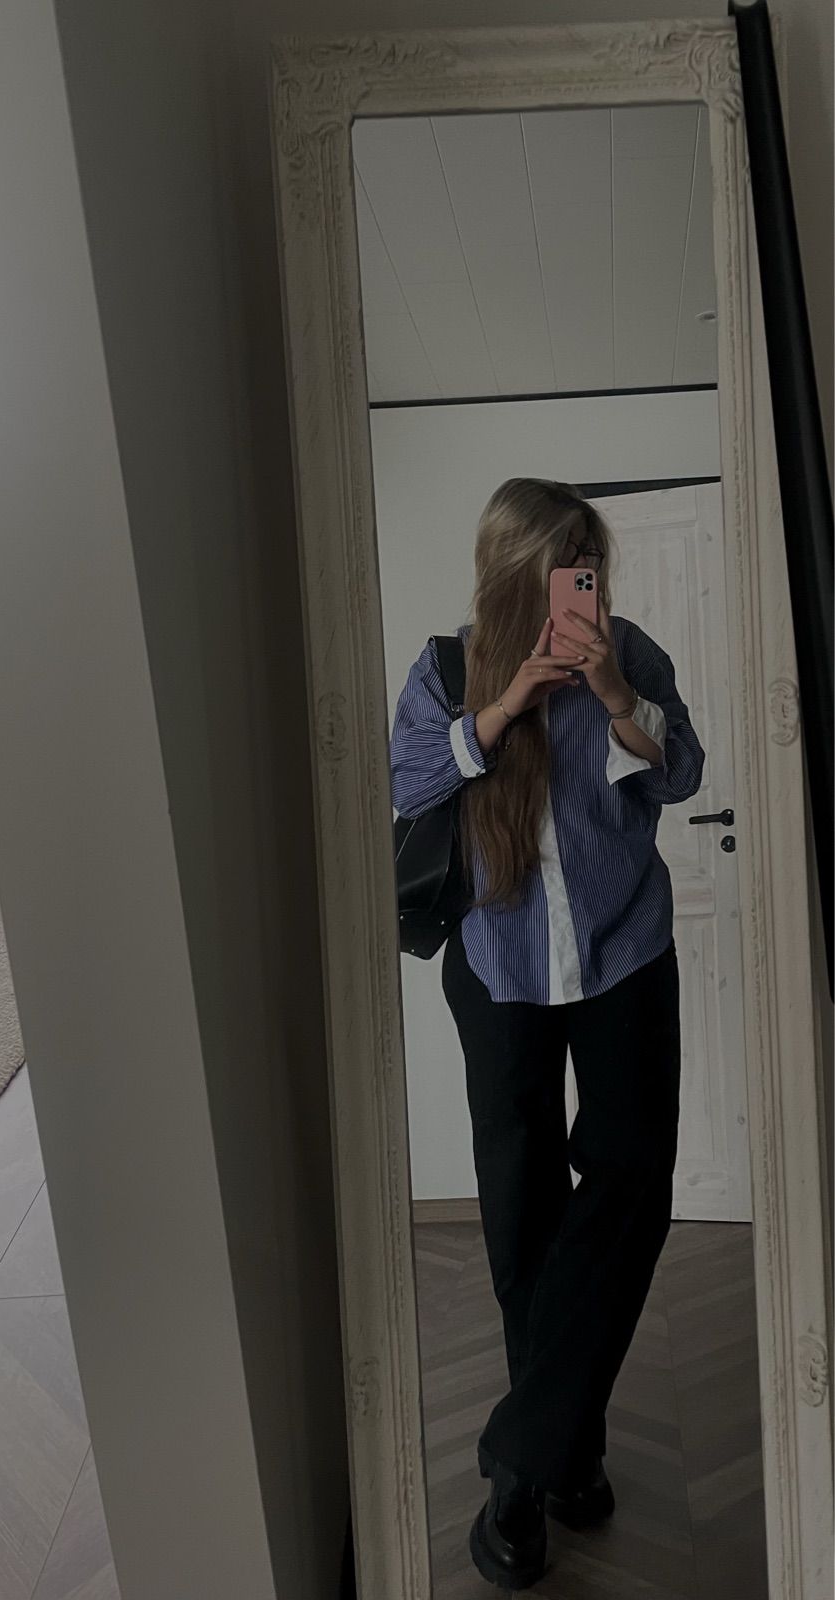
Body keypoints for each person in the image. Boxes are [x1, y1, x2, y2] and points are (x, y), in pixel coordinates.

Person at [390, 478, 705, 1590]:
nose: (586, 583)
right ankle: (563, 1462)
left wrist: (616, 691)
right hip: (500, 962)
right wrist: (504, 704)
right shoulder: (447, 667)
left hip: (626, 951)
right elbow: (408, 777)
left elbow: (684, 772)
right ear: (512, 569)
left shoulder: (633, 652)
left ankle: (522, 1460)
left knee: (631, 1182)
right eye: (566, 563)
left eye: (592, 562)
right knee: (522, 1205)